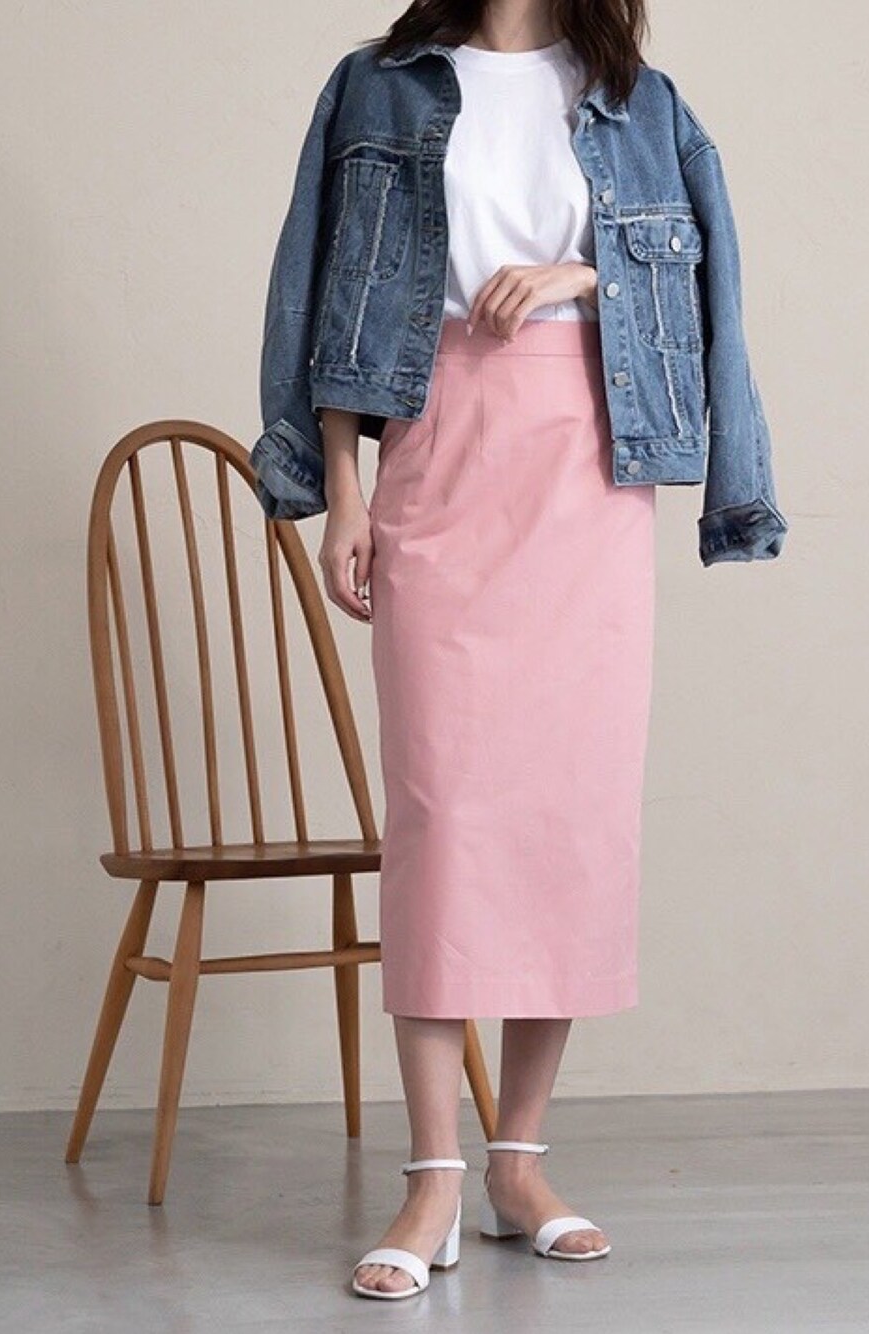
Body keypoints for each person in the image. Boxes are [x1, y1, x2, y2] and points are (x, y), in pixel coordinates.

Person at [251, 0, 787, 1302]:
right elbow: (327, 289)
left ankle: (519, 1163)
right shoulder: (378, 86)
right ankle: (431, 1175)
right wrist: (343, 493)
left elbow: (704, 278)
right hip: (439, 442)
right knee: (441, 815)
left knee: (568, 815)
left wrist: (583, 275)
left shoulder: (641, 100)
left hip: (591, 462)